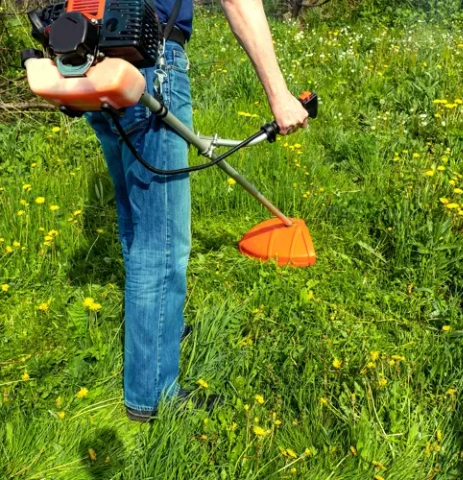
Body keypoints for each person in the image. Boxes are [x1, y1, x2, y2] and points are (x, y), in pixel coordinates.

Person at [85, 0, 309, 422]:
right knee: (162, 244)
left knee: (137, 228)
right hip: (149, 59)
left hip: (93, 60)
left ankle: (159, 329)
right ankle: (153, 399)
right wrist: (280, 96)